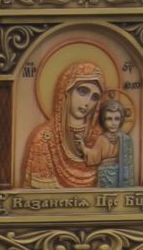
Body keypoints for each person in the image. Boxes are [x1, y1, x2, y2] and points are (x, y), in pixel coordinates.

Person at [21, 60, 109, 189]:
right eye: (83, 91)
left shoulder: (101, 138)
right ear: (67, 91)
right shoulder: (44, 138)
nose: (87, 102)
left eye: (94, 97)